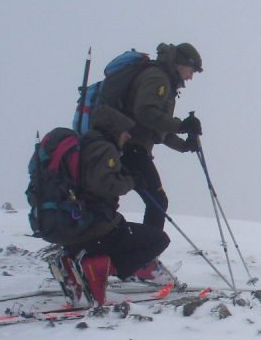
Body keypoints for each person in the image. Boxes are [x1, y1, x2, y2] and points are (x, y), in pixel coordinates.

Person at [53, 106, 171, 305]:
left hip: (73, 228)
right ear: (114, 129)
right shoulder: (104, 148)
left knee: (122, 232)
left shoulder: (83, 145)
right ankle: (101, 268)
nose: (128, 135)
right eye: (124, 131)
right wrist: (131, 181)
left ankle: (72, 260)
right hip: (96, 229)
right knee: (159, 239)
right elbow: (103, 185)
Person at [121, 42, 204, 230]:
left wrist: (184, 145)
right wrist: (182, 126)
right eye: (191, 71)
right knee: (157, 202)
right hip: (129, 147)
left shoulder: (164, 80)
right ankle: (149, 247)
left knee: (153, 201)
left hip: (128, 147)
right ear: (181, 63)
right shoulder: (158, 78)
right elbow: (145, 113)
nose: (190, 77)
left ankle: (143, 245)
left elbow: (156, 128)